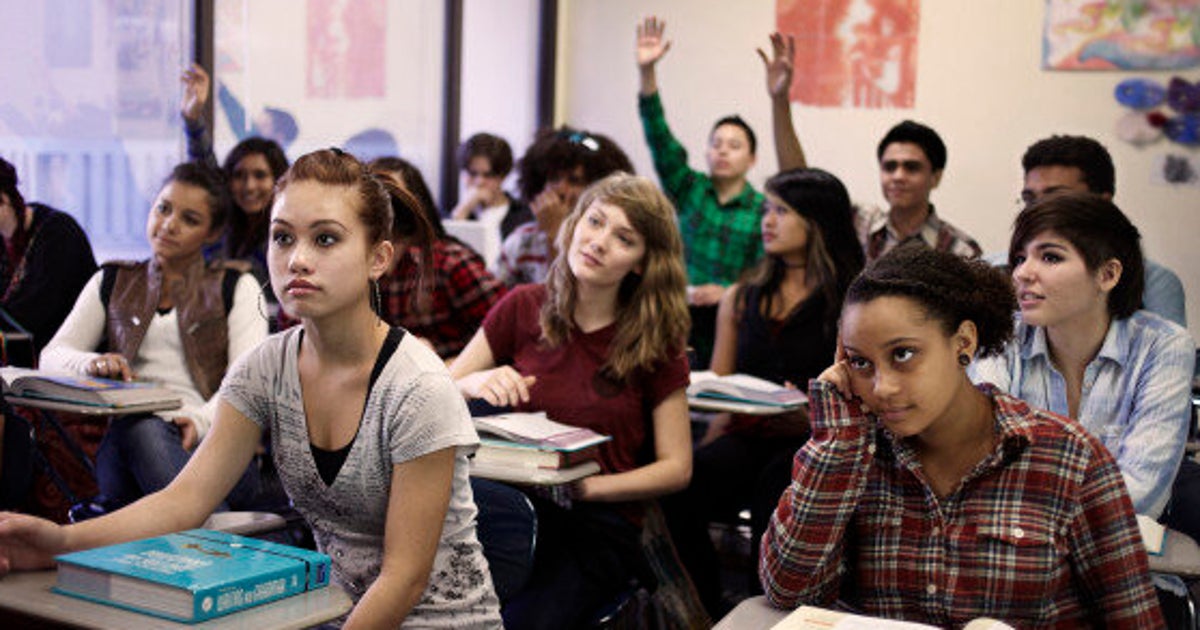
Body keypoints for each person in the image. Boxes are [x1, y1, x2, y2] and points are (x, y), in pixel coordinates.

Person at [1, 149, 504, 628]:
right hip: (329, 615)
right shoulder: (265, 367)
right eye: (283, 237)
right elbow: (184, 501)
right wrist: (58, 542)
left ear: (378, 258)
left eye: (326, 239)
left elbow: (404, 577)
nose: (298, 259)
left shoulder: (417, 387)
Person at [760, 244, 1164, 627]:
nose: (881, 387)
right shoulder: (854, 456)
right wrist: (840, 441)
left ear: (963, 343)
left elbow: (1133, 618)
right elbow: (787, 591)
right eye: (861, 362)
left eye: (903, 354)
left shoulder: (1070, 459)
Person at [452, 173, 692, 629]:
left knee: (522, 622)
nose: (599, 242)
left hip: (597, 523)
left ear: (642, 263)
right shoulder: (523, 304)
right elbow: (437, 389)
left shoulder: (657, 340)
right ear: (575, 221)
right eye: (595, 221)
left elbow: (677, 467)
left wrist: (586, 488)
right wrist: (473, 382)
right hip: (510, 509)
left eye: (623, 238)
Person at [663, 167, 864, 618]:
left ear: (816, 221)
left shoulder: (852, 297)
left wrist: (813, 414)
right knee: (682, 489)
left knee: (777, 493)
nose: (767, 221)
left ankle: (775, 618)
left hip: (814, 440)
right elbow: (719, 383)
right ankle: (710, 612)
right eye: (766, 210)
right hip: (747, 432)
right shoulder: (742, 294)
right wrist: (710, 440)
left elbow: (865, 389)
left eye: (781, 211)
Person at [39, 162, 266, 511]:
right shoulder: (113, 280)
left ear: (213, 233)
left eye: (189, 219)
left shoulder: (238, 286)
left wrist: (200, 422)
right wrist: (92, 363)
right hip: (128, 444)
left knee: (142, 431)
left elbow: (247, 383)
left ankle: (199, 532)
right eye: (163, 208)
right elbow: (51, 357)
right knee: (139, 427)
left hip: (213, 448)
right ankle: (213, 541)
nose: (169, 225)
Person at [970, 192, 1194, 525]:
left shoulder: (1164, 346)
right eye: (1020, 258)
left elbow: (1141, 494)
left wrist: (1028, 503)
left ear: (1108, 275)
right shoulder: (1003, 336)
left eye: (1050, 257)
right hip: (1014, 559)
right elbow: (981, 461)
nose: (1022, 274)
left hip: (1118, 561)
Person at [762, 36, 980, 263]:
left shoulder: (959, 251)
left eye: (912, 168)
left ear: (936, 177)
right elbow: (798, 190)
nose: (898, 176)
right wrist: (780, 101)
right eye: (889, 167)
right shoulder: (857, 224)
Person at [637, 16, 764, 366]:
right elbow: (659, 138)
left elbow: (765, 275)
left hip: (731, 328)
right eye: (716, 143)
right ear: (706, 151)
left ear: (752, 158)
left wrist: (728, 293)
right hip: (674, 318)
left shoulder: (762, 210)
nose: (722, 150)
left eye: (734, 145)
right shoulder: (689, 188)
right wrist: (647, 74)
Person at [1014, 134, 1186, 326]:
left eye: (1057, 198)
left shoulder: (1155, 284)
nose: (1038, 210)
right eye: (1030, 199)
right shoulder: (997, 269)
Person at [370, 156, 507, 359]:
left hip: (455, 380)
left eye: (393, 196)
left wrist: (454, 368)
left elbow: (509, 328)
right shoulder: (356, 268)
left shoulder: (450, 262)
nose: (382, 205)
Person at [181, 64, 289, 295]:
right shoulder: (223, 222)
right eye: (239, 176)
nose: (249, 186)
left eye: (260, 176)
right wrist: (193, 119)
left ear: (278, 180)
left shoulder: (288, 232)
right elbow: (203, 169)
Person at [495, 126, 633, 287]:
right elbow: (495, 301)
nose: (561, 189)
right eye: (554, 179)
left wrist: (555, 233)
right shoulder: (521, 240)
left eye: (574, 181)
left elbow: (573, 300)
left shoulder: (602, 244)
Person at [0, 157, 97, 354]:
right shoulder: (4, 239)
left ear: (5, 198)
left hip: (67, 359)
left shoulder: (59, 233)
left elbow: (31, 314)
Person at [448, 133, 533, 240]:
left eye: (488, 175)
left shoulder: (524, 216)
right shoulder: (453, 212)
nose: (479, 182)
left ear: (503, 176)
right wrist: (463, 211)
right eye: (472, 174)